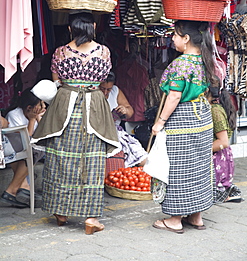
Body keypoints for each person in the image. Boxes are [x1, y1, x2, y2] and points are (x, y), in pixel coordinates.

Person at [31, 12, 120, 234]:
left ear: (70, 29)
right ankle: (91, 218)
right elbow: (103, 78)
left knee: (61, 157)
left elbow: (56, 82)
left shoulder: (60, 53)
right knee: (92, 161)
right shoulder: (104, 52)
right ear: (93, 28)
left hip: (65, 107)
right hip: (94, 106)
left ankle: (61, 212)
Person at [151, 20, 216, 234]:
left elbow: (175, 96)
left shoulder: (181, 63)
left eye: (175, 35)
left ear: (186, 39)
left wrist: (159, 122)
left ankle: (175, 219)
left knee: (179, 168)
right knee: (198, 167)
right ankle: (196, 217)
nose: (172, 39)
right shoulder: (206, 60)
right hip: (203, 119)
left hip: (183, 119)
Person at [0, 87, 46, 208]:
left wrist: (39, 119)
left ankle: (20, 189)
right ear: (29, 108)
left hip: (23, 149)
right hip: (13, 148)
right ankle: (22, 188)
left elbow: (44, 135)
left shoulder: (38, 115)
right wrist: (31, 120)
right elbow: (27, 139)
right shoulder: (15, 115)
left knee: (38, 149)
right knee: (34, 150)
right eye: (40, 104)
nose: (44, 107)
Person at [99, 72, 148, 170]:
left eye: (108, 89)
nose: (105, 92)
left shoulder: (116, 91)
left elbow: (130, 111)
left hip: (116, 131)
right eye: (102, 88)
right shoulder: (93, 92)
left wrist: (124, 110)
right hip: (101, 132)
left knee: (143, 159)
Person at [208, 82, 242, 203]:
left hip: (217, 155)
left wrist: (201, 150)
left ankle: (227, 195)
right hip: (220, 154)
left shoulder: (215, 111)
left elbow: (223, 141)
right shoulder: (216, 108)